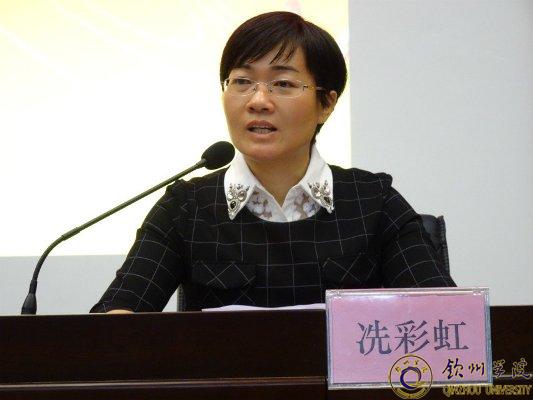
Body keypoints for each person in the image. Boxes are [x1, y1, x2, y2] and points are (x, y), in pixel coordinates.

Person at [91, 11, 455, 314]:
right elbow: (117, 321)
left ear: (326, 104)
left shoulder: (373, 201)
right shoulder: (186, 208)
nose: (258, 101)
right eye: (242, 81)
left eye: (282, 84)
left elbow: (450, 321)